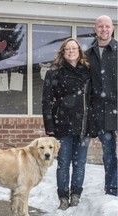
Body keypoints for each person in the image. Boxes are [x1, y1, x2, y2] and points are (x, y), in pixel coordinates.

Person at [42, 38, 92, 210]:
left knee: (80, 163)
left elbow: (92, 99)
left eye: (74, 48)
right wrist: (49, 125)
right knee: (63, 163)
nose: (71, 51)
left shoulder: (87, 71)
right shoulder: (54, 72)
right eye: (68, 49)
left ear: (79, 51)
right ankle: (63, 197)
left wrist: (93, 123)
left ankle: (76, 195)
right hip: (62, 125)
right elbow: (46, 101)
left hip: (84, 125)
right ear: (63, 52)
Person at [85, 15, 117, 196]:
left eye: (107, 26)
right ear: (95, 29)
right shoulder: (88, 55)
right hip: (103, 112)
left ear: (112, 28)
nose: (104, 29)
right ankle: (113, 190)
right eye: (100, 26)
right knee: (109, 154)